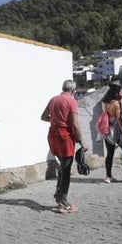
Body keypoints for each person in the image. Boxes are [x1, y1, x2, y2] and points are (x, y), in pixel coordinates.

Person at [42, 79, 85, 213]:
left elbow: (44, 117)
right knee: (66, 170)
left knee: (62, 166)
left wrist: (56, 120)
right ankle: (63, 202)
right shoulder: (71, 101)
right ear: (73, 90)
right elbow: (75, 123)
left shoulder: (53, 99)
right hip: (65, 136)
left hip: (53, 135)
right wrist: (82, 141)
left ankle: (59, 195)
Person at [96, 84, 122, 184]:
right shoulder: (117, 104)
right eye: (121, 92)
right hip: (116, 131)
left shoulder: (105, 102)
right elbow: (119, 119)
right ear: (116, 93)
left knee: (110, 153)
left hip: (107, 131)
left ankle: (108, 176)